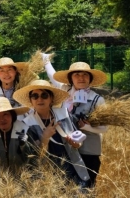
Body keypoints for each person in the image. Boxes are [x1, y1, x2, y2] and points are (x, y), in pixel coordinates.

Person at [13, 80, 90, 187]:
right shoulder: (27, 124)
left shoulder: (64, 114)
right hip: (48, 175)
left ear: (51, 98)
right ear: (31, 100)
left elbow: (77, 140)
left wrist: (76, 144)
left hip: (73, 168)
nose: (39, 99)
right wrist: (45, 137)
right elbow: (35, 156)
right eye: (35, 96)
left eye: (44, 95)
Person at [44, 59, 108, 188]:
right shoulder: (63, 92)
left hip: (88, 151)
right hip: (66, 148)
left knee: (87, 187)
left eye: (85, 75)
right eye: (76, 75)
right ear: (70, 78)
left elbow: (104, 128)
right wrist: (46, 60)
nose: (81, 78)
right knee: (66, 186)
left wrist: (86, 127)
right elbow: (52, 75)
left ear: (90, 78)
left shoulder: (97, 99)